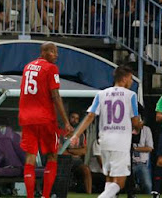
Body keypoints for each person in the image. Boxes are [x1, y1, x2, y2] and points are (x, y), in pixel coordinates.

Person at [70, 66, 142, 198]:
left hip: (104, 141)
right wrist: (138, 126)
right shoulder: (131, 95)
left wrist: (76, 134)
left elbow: (90, 116)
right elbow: (135, 121)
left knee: (109, 179)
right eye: (131, 78)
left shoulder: (101, 94)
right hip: (120, 142)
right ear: (125, 78)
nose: (131, 82)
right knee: (120, 182)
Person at [18, 42, 73, 198]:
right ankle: (45, 195)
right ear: (43, 52)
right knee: (52, 155)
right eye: (52, 51)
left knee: (30, 156)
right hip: (45, 118)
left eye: (56, 51)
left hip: (26, 117)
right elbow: (55, 95)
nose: (56, 54)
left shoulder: (27, 67)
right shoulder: (51, 68)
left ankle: (30, 196)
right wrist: (66, 121)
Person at [61, 112, 92, 194]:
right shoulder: (62, 133)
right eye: (73, 117)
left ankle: (89, 193)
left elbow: (84, 151)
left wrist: (70, 150)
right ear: (68, 118)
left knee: (86, 169)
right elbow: (61, 151)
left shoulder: (81, 135)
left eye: (77, 118)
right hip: (64, 161)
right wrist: (76, 152)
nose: (75, 120)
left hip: (77, 162)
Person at [131, 123, 153, 194]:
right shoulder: (127, 128)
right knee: (126, 186)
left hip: (141, 163)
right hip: (128, 163)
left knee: (148, 185)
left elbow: (149, 148)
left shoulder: (146, 130)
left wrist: (135, 148)